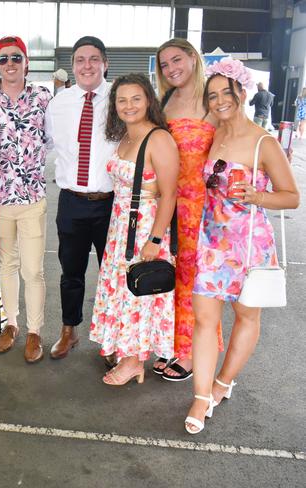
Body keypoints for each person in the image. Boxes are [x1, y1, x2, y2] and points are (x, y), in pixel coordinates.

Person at [185, 58, 299, 434]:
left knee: (247, 318)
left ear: (243, 92)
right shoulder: (212, 133)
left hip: (250, 244)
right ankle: (201, 397)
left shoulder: (263, 142)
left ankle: (223, 382)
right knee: (204, 320)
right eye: (212, 95)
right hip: (212, 242)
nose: (219, 101)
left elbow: (292, 197)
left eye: (226, 92)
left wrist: (257, 196)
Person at [89, 74, 179, 385]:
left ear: (149, 101)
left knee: (138, 294)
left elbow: (169, 193)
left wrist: (155, 239)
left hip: (144, 228)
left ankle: (133, 361)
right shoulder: (125, 137)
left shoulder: (159, 139)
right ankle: (125, 350)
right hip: (120, 226)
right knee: (124, 292)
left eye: (136, 98)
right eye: (122, 100)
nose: (129, 105)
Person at [0, 36, 52, 363]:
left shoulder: (43, 98)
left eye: (16, 58)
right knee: (7, 264)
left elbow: (55, 139)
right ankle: (11, 324)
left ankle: (34, 331)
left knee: (33, 270)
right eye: (3, 59)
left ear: (26, 62)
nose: (9, 64)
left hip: (33, 197)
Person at [153, 38, 223, 381]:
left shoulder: (215, 98)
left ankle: (191, 352)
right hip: (167, 205)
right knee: (172, 278)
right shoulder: (164, 101)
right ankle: (171, 342)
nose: (171, 69)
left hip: (203, 209)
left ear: (193, 58)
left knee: (197, 283)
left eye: (176, 60)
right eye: (164, 65)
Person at [44, 36, 117, 361]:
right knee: (70, 272)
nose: (87, 65)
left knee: (112, 275)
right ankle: (69, 330)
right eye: (80, 60)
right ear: (73, 66)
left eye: (93, 59)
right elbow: (45, 144)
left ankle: (113, 338)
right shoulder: (59, 103)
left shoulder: (120, 97)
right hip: (72, 202)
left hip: (112, 203)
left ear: (105, 63)